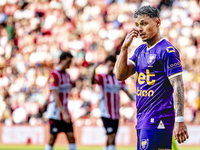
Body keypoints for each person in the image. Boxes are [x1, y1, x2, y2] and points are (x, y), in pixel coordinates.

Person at [115, 5, 189, 150]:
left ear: (158, 22)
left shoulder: (167, 51)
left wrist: (179, 119)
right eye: (137, 24)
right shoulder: (140, 50)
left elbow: (178, 84)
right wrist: (124, 48)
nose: (139, 28)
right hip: (143, 118)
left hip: (158, 118)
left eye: (144, 23)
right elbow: (120, 75)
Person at [91, 55, 134, 150]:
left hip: (116, 114)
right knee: (111, 136)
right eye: (109, 65)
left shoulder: (118, 79)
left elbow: (127, 93)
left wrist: (136, 99)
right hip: (105, 113)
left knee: (112, 139)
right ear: (106, 65)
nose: (111, 67)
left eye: (113, 65)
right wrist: (94, 69)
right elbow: (93, 81)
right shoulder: (102, 77)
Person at [45, 52, 77, 150]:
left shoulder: (67, 75)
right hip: (55, 112)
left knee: (71, 137)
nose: (69, 64)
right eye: (68, 61)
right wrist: (64, 113)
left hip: (65, 110)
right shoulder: (54, 75)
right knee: (52, 138)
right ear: (62, 60)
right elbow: (55, 96)